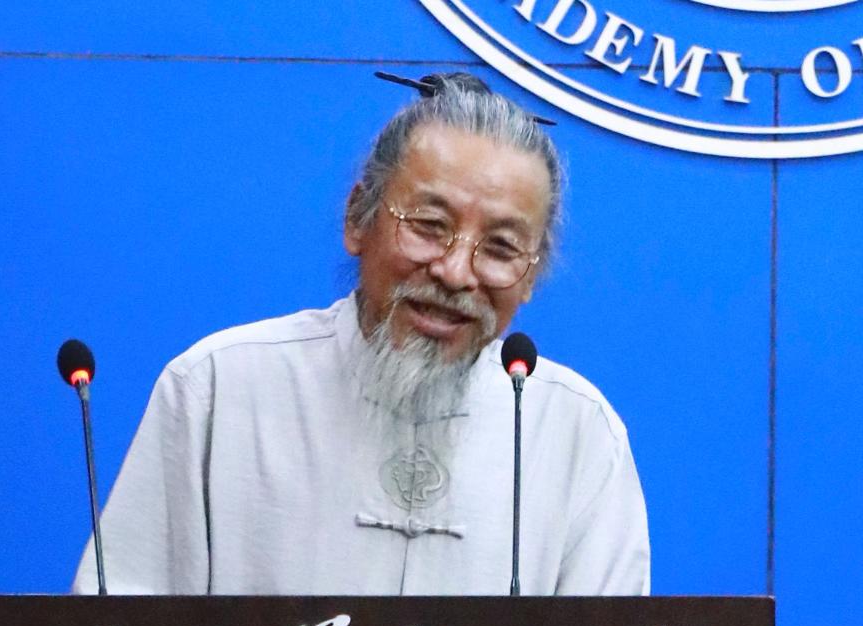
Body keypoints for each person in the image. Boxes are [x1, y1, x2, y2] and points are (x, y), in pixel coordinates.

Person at [73, 73, 649, 597]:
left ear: (529, 279)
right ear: (357, 218)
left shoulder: (576, 433)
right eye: (430, 226)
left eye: (500, 248)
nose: (455, 273)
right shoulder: (219, 390)